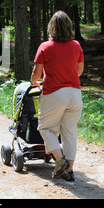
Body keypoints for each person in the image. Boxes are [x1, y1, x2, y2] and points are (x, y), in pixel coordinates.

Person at [30, 11, 84, 181]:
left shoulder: (45, 47)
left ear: (51, 27)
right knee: (69, 132)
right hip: (75, 94)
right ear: (69, 27)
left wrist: (33, 82)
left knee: (45, 128)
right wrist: (69, 78)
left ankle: (60, 161)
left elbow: (36, 72)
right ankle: (70, 171)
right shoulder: (76, 45)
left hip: (54, 93)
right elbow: (79, 70)